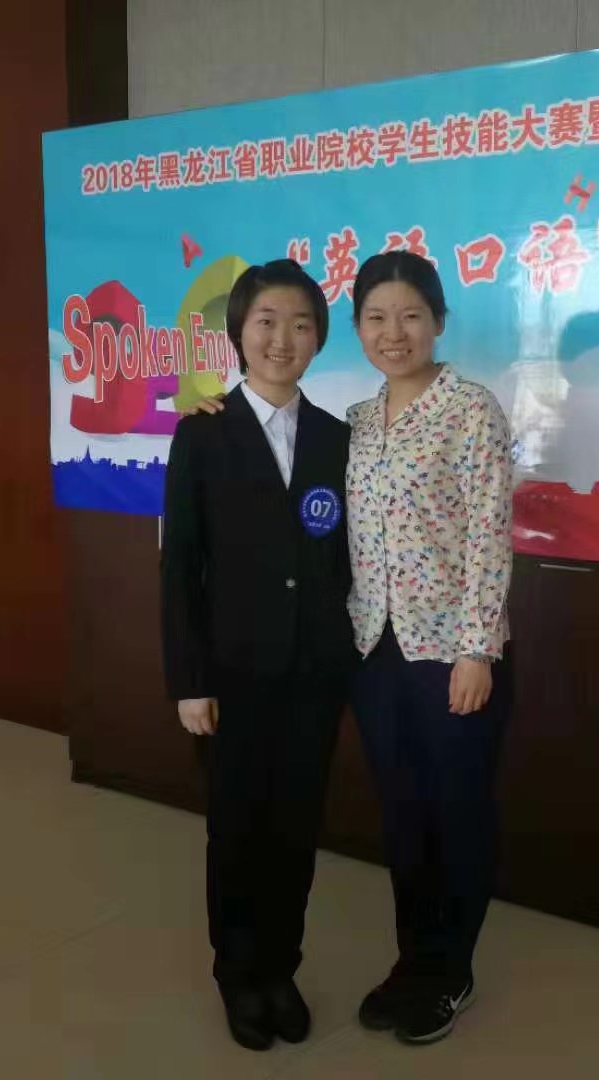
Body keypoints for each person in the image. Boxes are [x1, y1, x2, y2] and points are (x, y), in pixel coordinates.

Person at [160, 258, 356, 1053]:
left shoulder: (339, 439)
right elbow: (180, 567)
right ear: (239, 333)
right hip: (231, 677)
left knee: (296, 832)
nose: (283, 339)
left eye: (300, 324)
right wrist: (189, 680)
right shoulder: (202, 433)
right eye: (266, 322)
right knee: (237, 832)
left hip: (314, 675)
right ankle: (238, 975)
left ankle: (281, 968)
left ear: (318, 339)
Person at [344, 251, 515, 1046]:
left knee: (457, 813)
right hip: (374, 651)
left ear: (439, 322)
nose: (394, 332)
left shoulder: (470, 410)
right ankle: (412, 960)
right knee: (404, 816)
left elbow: (489, 533)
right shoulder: (355, 421)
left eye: (410, 315)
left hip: (453, 654)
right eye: (376, 318)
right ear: (357, 329)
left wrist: (476, 650)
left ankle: (451, 969)